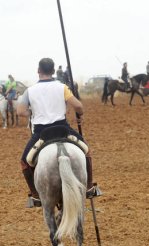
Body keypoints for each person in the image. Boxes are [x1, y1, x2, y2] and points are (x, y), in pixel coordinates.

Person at [17, 57, 100, 207]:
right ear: (54, 71)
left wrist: (32, 112)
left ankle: (36, 195)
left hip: (41, 133)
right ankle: (88, 187)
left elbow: (20, 111)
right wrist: (79, 116)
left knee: (24, 161)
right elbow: (79, 106)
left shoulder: (29, 91)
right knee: (86, 151)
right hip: (63, 129)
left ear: (38, 71)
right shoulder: (62, 87)